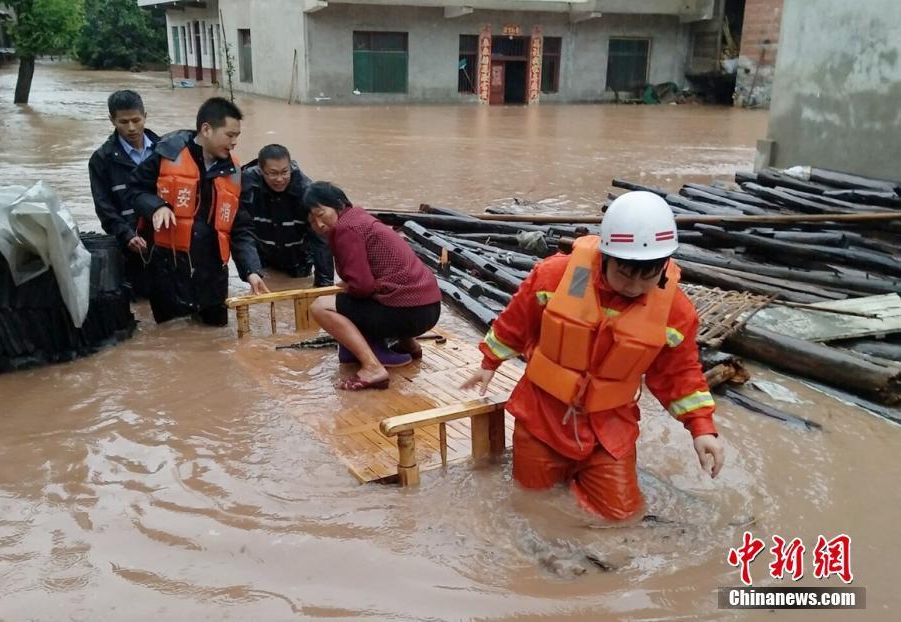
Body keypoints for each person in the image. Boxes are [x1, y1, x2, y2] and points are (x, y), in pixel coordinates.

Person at [461, 191, 724, 521]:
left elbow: (680, 373)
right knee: (532, 507)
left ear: (664, 266)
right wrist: (489, 362)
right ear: (604, 257)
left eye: (648, 276)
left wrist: (702, 428)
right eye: (625, 273)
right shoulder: (555, 277)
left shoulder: (675, 311)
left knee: (622, 518)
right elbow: (517, 320)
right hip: (542, 419)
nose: (635, 287)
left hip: (609, 431)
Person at [125, 97, 269, 326]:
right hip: (168, 270)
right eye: (230, 135)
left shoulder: (234, 170)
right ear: (206, 129)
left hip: (213, 275)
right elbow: (134, 190)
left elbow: (240, 227)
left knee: (214, 341)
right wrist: (157, 206)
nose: (234, 143)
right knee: (173, 342)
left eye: (237, 137)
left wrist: (251, 270)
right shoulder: (167, 153)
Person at [304, 182, 442, 391]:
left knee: (320, 307)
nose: (319, 224)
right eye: (312, 221)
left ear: (338, 205)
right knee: (384, 289)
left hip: (408, 313)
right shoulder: (360, 218)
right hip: (430, 308)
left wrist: (344, 293)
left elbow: (362, 287)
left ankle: (372, 367)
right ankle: (409, 345)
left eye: (321, 214)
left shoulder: (345, 229)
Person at [88, 90, 159, 299]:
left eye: (136, 120)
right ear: (112, 120)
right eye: (123, 121)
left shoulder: (165, 150)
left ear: (145, 115)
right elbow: (104, 208)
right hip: (129, 247)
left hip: (166, 244)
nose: (131, 128)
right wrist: (127, 235)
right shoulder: (102, 160)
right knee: (139, 303)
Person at [241, 144, 334, 286]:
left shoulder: (305, 191)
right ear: (261, 170)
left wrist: (325, 285)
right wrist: (251, 269)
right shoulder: (247, 185)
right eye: (273, 173)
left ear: (290, 167)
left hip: (298, 259)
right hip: (264, 255)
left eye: (285, 172)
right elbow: (242, 232)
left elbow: (320, 239)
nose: (280, 179)